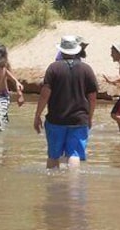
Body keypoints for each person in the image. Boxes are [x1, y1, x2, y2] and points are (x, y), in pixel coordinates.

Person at [34, 35, 98, 169]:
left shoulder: (53, 68)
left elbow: (45, 94)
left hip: (56, 119)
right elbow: (92, 97)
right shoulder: (87, 69)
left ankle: (53, 186)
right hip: (79, 120)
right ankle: (74, 186)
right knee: (74, 155)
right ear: (76, 50)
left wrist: (37, 115)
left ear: (61, 51)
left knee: (53, 156)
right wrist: (90, 117)